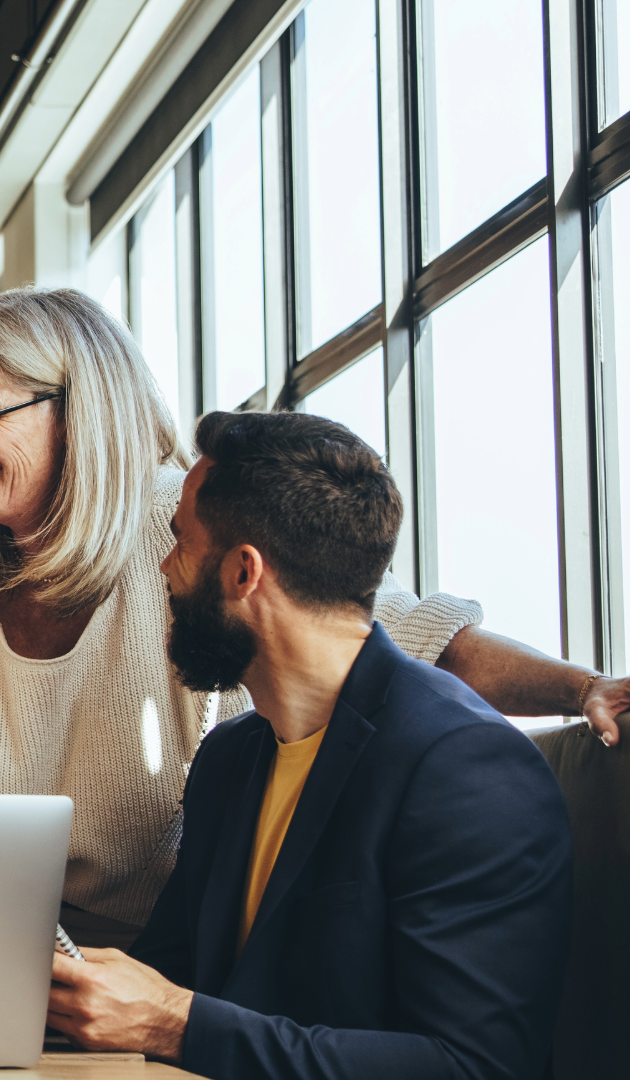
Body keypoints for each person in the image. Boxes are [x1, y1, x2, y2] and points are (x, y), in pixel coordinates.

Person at [0, 287, 622, 949]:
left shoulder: (182, 527)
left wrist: (582, 687)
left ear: (76, 415)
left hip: (182, 952)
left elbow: (391, 635)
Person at [45, 410, 573, 1079]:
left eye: (180, 541)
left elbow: (474, 1067)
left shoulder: (470, 769)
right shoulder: (230, 760)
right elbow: (164, 980)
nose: (164, 568)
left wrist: (176, 1023)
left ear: (243, 573)